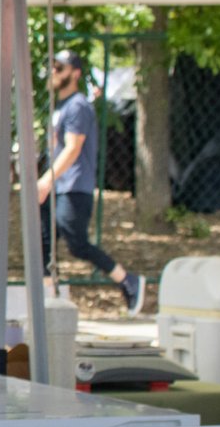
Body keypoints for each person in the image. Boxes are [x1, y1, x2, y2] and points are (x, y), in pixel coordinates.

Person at [37, 48, 144, 313]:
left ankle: (128, 280)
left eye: (59, 68)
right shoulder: (59, 107)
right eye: (51, 67)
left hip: (73, 185)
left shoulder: (78, 106)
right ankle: (47, 304)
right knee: (43, 244)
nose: (53, 72)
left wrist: (46, 180)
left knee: (77, 243)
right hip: (55, 184)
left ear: (75, 73)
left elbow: (73, 148)